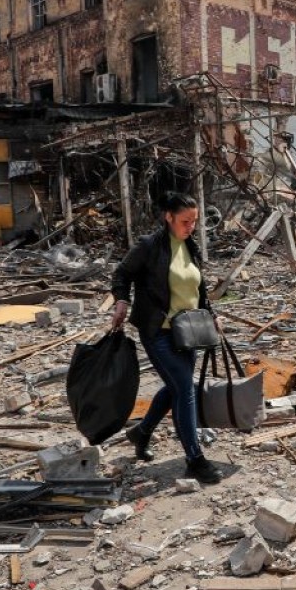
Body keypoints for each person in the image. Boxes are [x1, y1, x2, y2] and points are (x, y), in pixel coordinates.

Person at [110, 192, 222, 485]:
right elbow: (122, 273)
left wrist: (211, 313)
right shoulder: (150, 247)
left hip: (189, 332)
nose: (190, 227)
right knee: (184, 388)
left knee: (175, 388)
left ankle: (141, 432)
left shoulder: (191, 246)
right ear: (168, 217)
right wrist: (121, 301)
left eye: (194, 222)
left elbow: (199, 288)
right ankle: (195, 459)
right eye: (185, 222)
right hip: (157, 331)